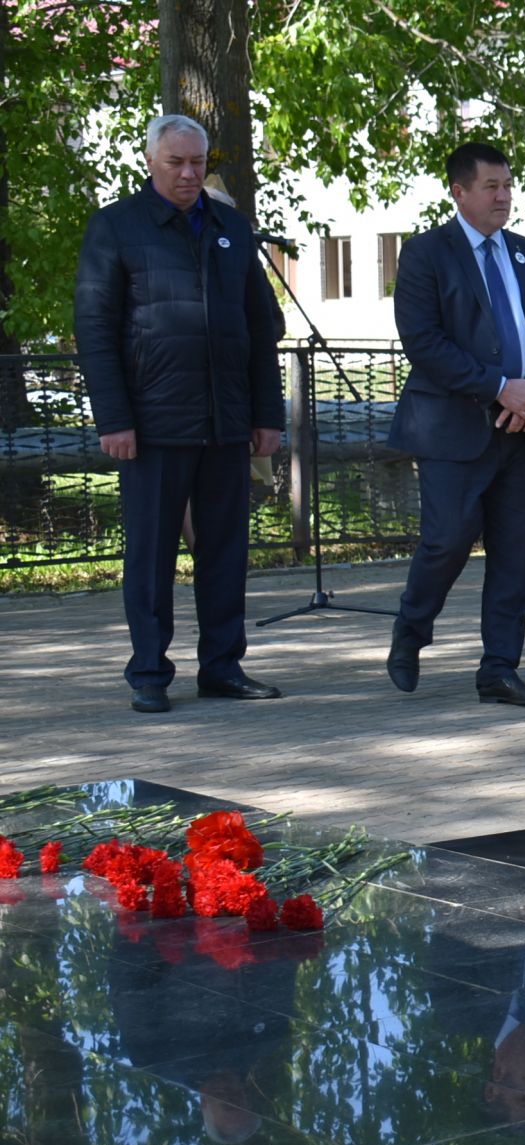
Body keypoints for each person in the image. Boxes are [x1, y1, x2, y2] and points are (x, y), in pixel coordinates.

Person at [74, 113, 286, 715]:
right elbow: (95, 330)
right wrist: (113, 419)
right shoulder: (116, 227)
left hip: (225, 420)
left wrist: (266, 414)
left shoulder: (230, 228)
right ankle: (148, 671)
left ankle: (222, 666)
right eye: (177, 163)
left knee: (225, 550)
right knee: (150, 554)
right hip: (152, 423)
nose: (190, 173)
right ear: (150, 163)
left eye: (198, 163)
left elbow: (258, 328)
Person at [386, 141, 525, 707]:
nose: (504, 196)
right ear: (459, 192)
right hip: (451, 428)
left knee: (513, 553)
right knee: (446, 542)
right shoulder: (425, 254)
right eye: (491, 187)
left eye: (508, 185)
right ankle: (411, 630)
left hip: (521, 428)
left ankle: (499, 667)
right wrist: (499, 388)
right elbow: (424, 341)